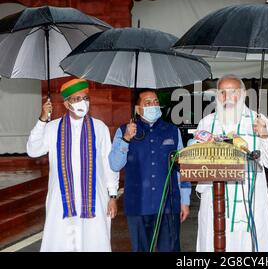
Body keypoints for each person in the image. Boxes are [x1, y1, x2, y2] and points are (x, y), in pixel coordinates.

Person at [26, 79, 119, 252]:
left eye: (85, 98)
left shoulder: (100, 128)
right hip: (61, 201)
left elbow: (109, 164)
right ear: (67, 104)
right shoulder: (52, 128)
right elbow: (32, 150)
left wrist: (112, 195)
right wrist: (42, 119)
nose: (82, 102)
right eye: (76, 99)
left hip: (95, 200)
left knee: (94, 242)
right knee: (61, 243)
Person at [195, 75, 268, 252]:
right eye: (222, 92)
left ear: (243, 94)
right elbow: (196, 162)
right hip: (215, 202)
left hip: (251, 202)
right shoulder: (206, 123)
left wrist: (264, 136)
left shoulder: (259, 121)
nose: (227, 97)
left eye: (233, 91)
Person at [108, 89, 191, 252]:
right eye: (148, 103)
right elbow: (115, 165)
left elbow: (183, 168)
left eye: (156, 102)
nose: (153, 105)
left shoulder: (172, 131)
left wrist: (185, 201)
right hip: (138, 205)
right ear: (137, 109)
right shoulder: (124, 130)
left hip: (168, 204)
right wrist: (126, 139)